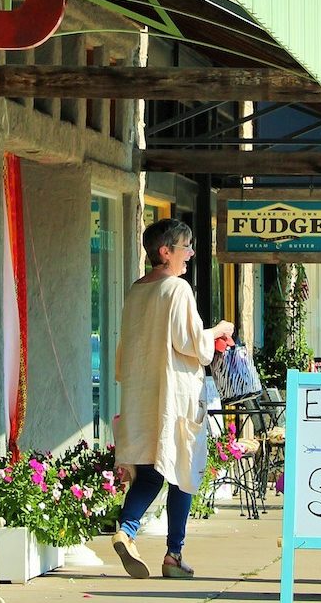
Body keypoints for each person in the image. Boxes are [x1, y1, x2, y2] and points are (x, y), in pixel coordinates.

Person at [111, 218, 234, 580]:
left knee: (149, 475)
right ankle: (173, 555)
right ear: (165, 252)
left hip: (140, 395)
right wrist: (218, 331)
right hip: (175, 397)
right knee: (183, 472)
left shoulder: (136, 290)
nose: (191, 253)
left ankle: (127, 529)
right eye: (186, 246)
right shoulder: (178, 289)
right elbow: (191, 343)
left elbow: (125, 349)